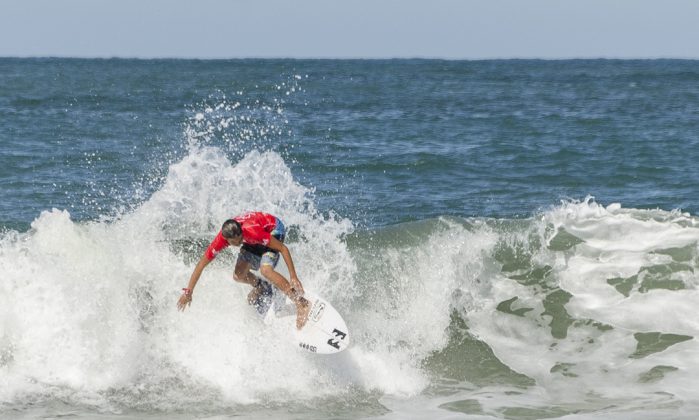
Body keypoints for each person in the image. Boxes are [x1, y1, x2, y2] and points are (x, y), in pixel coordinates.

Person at [177, 211, 310, 329]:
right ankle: (261, 286)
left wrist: (293, 276)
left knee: (266, 270)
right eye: (237, 241)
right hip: (253, 237)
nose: (240, 242)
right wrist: (188, 292)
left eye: (241, 239)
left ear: (241, 231)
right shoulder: (221, 240)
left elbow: (283, 248)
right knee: (238, 275)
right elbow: (201, 265)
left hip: (273, 229)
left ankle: (301, 303)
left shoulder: (251, 231)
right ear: (227, 240)